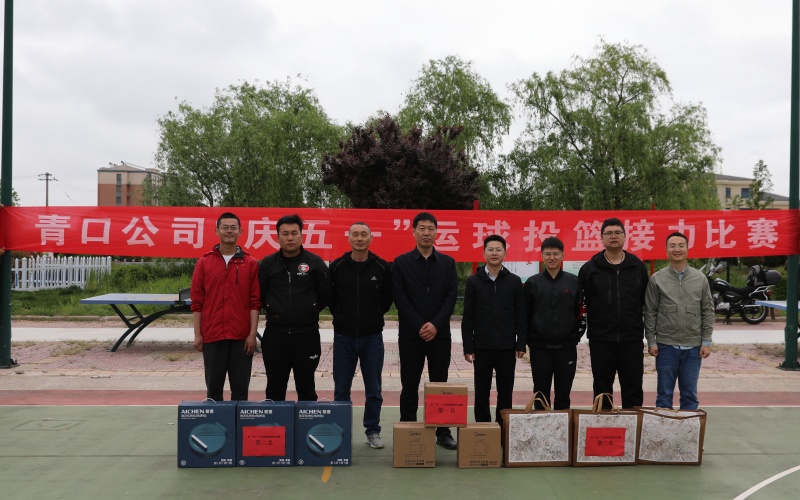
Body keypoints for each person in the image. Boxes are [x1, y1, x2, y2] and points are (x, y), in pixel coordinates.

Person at [392, 212, 458, 450]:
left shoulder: (448, 263)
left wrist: (436, 324)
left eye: (431, 228)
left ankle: (443, 432)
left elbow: (451, 297)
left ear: (436, 232)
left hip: (440, 335)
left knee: (440, 385)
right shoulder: (401, 263)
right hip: (411, 335)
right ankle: (409, 427)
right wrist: (420, 325)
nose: (426, 233)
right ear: (413, 232)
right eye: (422, 228)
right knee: (409, 383)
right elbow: (400, 298)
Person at [329, 222, 393, 449]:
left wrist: (373, 315)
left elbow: (386, 300)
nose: (359, 238)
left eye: (363, 234)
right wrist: (342, 316)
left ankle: (372, 430)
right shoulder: (337, 266)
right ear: (348, 238)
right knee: (341, 389)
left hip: (372, 337)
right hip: (343, 337)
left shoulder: (382, 267)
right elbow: (331, 298)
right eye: (355, 234)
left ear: (371, 238)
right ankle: (341, 431)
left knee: (373, 389)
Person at [578, 217, 649, 409]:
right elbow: (582, 303)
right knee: (602, 390)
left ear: (625, 237)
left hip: (631, 339)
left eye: (618, 232)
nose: (613, 236)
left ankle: (632, 426)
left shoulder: (637, 266)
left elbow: (645, 301)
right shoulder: (590, 268)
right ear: (602, 238)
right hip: (601, 340)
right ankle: (603, 426)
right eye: (608, 233)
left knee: (633, 388)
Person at [259, 214, 331, 401]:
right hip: (275, 335)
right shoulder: (268, 263)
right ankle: (275, 421)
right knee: (275, 389)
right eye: (285, 234)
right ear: (277, 237)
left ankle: (307, 421)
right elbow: (261, 294)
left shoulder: (315, 262)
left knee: (306, 388)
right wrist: (274, 308)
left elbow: (326, 293)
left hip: (307, 335)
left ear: (301, 235)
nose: (290, 238)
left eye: (294, 233)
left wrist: (309, 309)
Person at [190, 212, 261, 401]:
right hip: (213, 336)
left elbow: (255, 302)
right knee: (213, 393)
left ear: (240, 231)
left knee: (240, 393)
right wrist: (198, 334)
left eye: (233, 228)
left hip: (241, 338)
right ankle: (216, 422)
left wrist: (252, 334)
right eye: (225, 227)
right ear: (217, 231)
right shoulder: (204, 263)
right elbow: (197, 302)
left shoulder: (251, 263)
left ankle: (237, 421)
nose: (229, 231)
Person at [644, 232, 714, 410]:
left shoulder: (700, 279)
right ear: (666, 250)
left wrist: (706, 341)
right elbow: (650, 312)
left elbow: (707, 311)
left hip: (693, 347)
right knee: (664, 394)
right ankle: (664, 427)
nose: (677, 249)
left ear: (687, 249)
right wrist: (651, 341)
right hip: (666, 346)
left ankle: (688, 428)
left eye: (681, 245)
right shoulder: (657, 279)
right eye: (672, 246)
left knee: (690, 395)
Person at [462, 235, 526, 425]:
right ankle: (483, 428)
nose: (494, 253)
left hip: (507, 346)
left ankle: (502, 427)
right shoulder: (474, 281)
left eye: (498, 249)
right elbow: (468, 317)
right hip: (481, 346)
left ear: (505, 253)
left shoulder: (514, 281)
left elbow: (521, 315)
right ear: (484, 253)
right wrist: (468, 347)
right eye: (490, 249)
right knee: (481, 390)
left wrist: (521, 343)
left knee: (505, 391)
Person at [523, 237, 585, 410]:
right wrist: (528, 339)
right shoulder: (533, 283)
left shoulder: (574, 282)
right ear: (541, 256)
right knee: (540, 394)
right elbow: (524, 315)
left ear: (563, 255)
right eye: (548, 254)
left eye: (556, 254)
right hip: (539, 347)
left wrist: (574, 336)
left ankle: (562, 426)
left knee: (563, 393)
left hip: (566, 347)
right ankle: (542, 426)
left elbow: (581, 312)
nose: (552, 257)